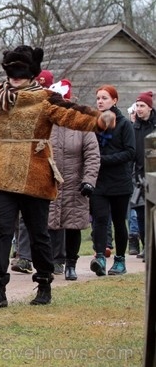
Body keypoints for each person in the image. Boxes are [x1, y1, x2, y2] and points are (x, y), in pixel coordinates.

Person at [0, 45, 115, 308]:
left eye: (21, 73)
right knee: (2, 231)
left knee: (39, 233)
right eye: (12, 73)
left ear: (32, 74)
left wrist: (99, 119)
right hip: (1, 173)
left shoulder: (46, 99)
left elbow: (73, 114)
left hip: (35, 174)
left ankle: (45, 282)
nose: (15, 78)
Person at [45, 80, 101, 281]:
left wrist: (88, 181)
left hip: (74, 184)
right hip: (49, 183)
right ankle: (48, 264)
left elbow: (92, 154)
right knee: (48, 225)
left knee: (73, 226)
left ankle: (71, 264)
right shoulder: (46, 121)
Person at [89, 85, 135, 277]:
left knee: (118, 222)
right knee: (99, 220)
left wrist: (102, 160)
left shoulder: (124, 124)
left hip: (119, 181)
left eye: (105, 98)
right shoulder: (93, 123)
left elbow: (130, 152)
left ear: (114, 101)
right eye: (98, 98)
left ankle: (120, 261)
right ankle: (100, 256)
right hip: (98, 181)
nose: (100, 101)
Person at [130, 90, 153, 262]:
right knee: (140, 213)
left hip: (153, 174)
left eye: (142, 106)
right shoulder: (134, 128)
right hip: (137, 177)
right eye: (137, 106)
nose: (139, 109)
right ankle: (146, 246)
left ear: (150, 108)